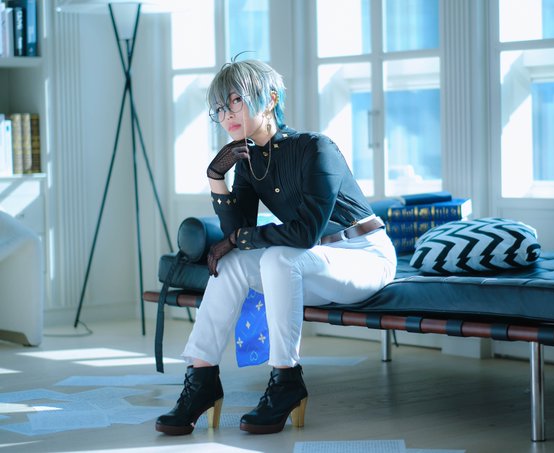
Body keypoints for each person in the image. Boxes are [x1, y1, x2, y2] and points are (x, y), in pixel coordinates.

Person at [155, 58, 397, 436]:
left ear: (269, 99)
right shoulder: (249, 162)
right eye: (219, 108)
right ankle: (201, 378)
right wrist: (216, 176)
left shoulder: (316, 148)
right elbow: (238, 234)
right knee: (233, 265)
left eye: (235, 101)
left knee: (279, 258)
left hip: (364, 256)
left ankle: (286, 379)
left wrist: (238, 239)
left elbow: (303, 234)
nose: (226, 115)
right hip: (314, 262)